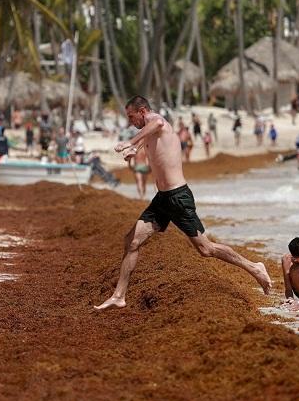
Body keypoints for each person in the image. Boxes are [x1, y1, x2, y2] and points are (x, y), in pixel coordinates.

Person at [95, 95, 271, 310]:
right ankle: (119, 296)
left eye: (131, 117)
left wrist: (129, 142)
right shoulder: (149, 131)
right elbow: (149, 137)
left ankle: (254, 268)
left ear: (142, 111)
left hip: (178, 197)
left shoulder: (156, 120)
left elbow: (157, 124)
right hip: (162, 199)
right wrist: (135, 148)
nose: (131, 122)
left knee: (205, 249)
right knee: (131, 242)